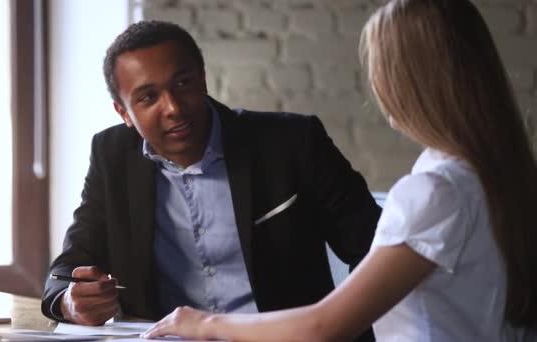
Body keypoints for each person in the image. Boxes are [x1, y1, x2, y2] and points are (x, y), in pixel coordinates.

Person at [142, 0, 537, 341]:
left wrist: (205, 323)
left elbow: (324, 327)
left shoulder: (435, 192)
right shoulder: (497, 175)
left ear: (406, 83)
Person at [40, 20, 381, 341]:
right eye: (148, 97)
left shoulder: (292, 143)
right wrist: (70, 301)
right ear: (124, 112)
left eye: (183, 83)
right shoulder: (111, 155)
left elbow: (376, 252)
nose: (173, 107)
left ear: (203, 78)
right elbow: (68, 266)